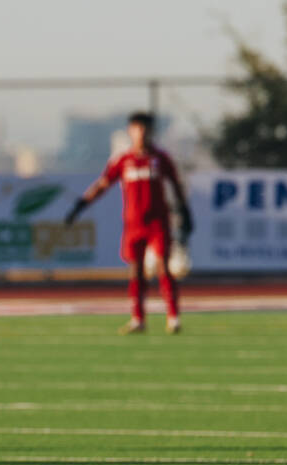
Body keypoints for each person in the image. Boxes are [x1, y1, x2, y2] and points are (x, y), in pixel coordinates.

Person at [64, 111, 193, 335]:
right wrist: (81, 205)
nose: (141, 134)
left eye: (145, 129)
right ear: (130, 132)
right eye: (136, 129)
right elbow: (103, 184)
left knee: (163, 265)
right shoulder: (124, 160)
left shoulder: (160, 158)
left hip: (157, 222)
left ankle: (173, 317)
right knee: (136, 270)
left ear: (151, 132)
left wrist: (184, 210)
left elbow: (176, 184)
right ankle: (138, 318)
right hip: (134, 224)